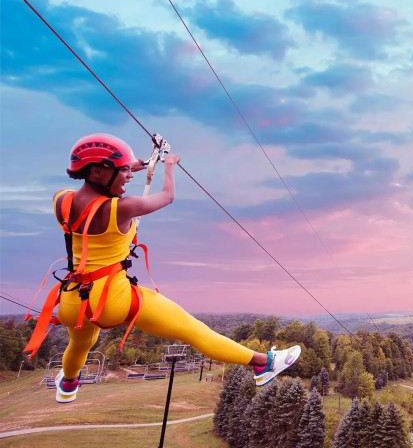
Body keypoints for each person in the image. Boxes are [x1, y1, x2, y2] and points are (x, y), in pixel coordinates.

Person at [24, 133, 301, 403]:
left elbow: (94, 190)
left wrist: (139, 164)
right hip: (113, 299)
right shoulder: (121, 208)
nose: (129, 176)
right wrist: (169, 166)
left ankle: (69, 384)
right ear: (97, 172)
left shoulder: (61, 199)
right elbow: (166, 196)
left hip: (74, 300)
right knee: (192, 329)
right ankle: (263, 364)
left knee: (80, 344)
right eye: (122, 171)